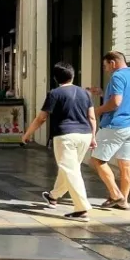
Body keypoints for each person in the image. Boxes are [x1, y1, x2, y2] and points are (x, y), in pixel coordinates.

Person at [21, 62, 95, 220]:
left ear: (55, 78)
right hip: (85, 135)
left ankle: (81, 209)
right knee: (69, 168)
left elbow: (41, 118)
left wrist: (27, 134)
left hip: (65, 136)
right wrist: (93, 136)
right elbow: (92, 117)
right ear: (73, 75)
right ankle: (53, 196)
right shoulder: (85, 93)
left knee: (71, 170)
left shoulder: (54, 94)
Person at [90, 51, 130, 210]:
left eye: (106, 66)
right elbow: (127, 98)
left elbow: (116, 103)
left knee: (97, 160)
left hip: (116, 125)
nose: (106, 69)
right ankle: (124, 200)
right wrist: (102, 94)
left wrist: (96, 111)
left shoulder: (117, 76)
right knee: (126, 163)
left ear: (113, 63)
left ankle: (115, 194)